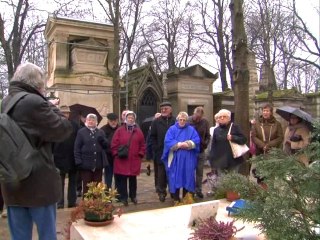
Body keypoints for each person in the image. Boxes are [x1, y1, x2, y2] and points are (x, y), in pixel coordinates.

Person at [0, 62, 72, 240]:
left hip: (12, 184)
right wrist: (52, 106)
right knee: (47, 235)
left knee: (20, 236)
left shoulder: (5, 102)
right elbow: (64, 129)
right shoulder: (34, 102)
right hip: (39, 186)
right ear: (37, 84)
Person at [162, 111, 200, 203]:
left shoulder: (191, 129)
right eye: (180, 119)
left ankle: (186, 198)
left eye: (184, 120)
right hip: (175, 158)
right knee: (175, 177)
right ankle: (176, 199)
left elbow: (197, 140)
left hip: (188, 158)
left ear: (186, 120)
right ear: (177, 119)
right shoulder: (172, 129)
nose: (182, 121)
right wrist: (178, 144)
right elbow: (167, 141)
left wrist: (188, 144)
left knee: (188, 176)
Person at [111, 111, 146, 206]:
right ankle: (123, 197)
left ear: (134, 119)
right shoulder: (119, 130)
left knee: (132, 180)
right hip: (122, 160)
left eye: (132, 118)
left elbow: (142, 144)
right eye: (129, 117)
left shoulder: (138, 131)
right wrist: (116, 154)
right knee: (122, 180)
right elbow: (114, 144)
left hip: (134, 160)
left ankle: (133, 196)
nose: (130, 119)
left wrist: (140, 154)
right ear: (125, 119)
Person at [74, 113, 109, 196]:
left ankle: (97, 204)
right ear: (86, 121)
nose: (91, 121)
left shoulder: (100, 132)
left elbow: (106, 146)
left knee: (97, 185)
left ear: (96, 122)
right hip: (85, 164)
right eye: (89, 120)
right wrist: (78, 161)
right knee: (87, 185)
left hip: (98, 164)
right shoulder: (81, 132)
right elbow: (77, 148)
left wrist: (103, 141)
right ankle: (87, 204)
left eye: (93, 120)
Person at [53, 105, 80, 209]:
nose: (65, 114)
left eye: (67, 113)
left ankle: (71, 202)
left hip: (72, 157)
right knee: (60, 182)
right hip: (59, 157)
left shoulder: (74, 125)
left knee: (73, 182)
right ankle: (60, 203)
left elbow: (78, 140)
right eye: (63, 113)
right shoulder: (55, 125)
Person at [150, 101, 176, 202]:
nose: (164, 110)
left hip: (173, 152)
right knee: (161, 174)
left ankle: (173, 192)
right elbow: (152, 136)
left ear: (170, 110)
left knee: (172, 173)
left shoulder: (175, 121)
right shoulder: (156, 122)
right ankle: (161, 192)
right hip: (160, 152)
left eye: (166, 109)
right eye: (162, 109)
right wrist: (156, 148)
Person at [251, 103, 283, 184]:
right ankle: (261, 191)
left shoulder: (277, 124)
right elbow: (253, 136)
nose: (265, 113)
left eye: (267, 111)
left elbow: (280, 137)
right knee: (260, 174)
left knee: (270, 173)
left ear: (271, 112)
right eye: (264, 111)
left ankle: (270, 191)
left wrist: (268, 145)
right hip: (260, 152)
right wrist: (262, 145)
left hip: (272, 152)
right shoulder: (257, 123)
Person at [209, 109, 247, 175]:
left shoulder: (235, 127)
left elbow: (244, 139)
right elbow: (213, 147)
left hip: (233, 161)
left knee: (232, 182)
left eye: (224, 116)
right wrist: (212, 162)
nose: (222, 118)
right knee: (222, 182)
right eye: (220, 117)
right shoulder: (216, 130)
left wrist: (233, 137)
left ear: (229, 118)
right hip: (220, 161)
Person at [189, 107, 210, 199]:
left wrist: (205, 143)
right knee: (190, 172)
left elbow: (208, 135)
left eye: (199, 118)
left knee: (199, 171)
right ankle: (191, 190)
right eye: (196, 117)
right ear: (193, 114)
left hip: (201, 150)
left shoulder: (205, 122)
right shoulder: (188, 121)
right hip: (190, 151)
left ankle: (198, 190)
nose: (198, 119)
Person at [100, 113, 120, 189]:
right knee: (108, 176)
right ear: (108, 121)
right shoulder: (103, 130)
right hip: (107, 157)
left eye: (115, 120)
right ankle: (107, 194)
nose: (113, 122)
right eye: (111, 121)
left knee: (118, 176)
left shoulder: (120, 129)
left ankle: (118, 193)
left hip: (118, 156)